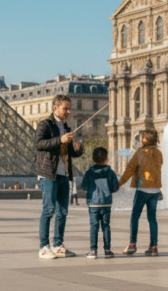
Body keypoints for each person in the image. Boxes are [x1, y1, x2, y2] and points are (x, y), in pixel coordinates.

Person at [34, 94, 84, 259]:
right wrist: (60, 140)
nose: (68, 111)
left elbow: (69, 153)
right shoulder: (45, 124)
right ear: (55, 108)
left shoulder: (68, 128)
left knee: (63, 211)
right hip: (49, 173)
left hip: (64, 173)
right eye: (65, 108)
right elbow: (39, 144)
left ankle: (57, 245)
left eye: (70, 108)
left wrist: (77, 149)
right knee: (49, 210)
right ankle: (43, 247)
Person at [118, 127, 163, 256]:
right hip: (155, 190)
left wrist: (119, 184)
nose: (140, 139)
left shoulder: (140, 152)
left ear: (146, 139)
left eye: (142, 137)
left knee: (135, 215)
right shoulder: (159, 153)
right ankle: (153, 246)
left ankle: (132, 243)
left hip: (143, 188)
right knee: (152, 218)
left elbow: (129, 170)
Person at [80, 147, 119, 259]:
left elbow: (83, 186)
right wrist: (108, 189)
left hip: (93, 203)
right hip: (106, 203)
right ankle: (107, 250)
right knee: (106, 226)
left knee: (94, 226)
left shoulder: (89, 172)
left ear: (93, 159)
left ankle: (93, 250)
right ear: (107, 159)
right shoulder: (110, 172)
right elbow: (115, 187)